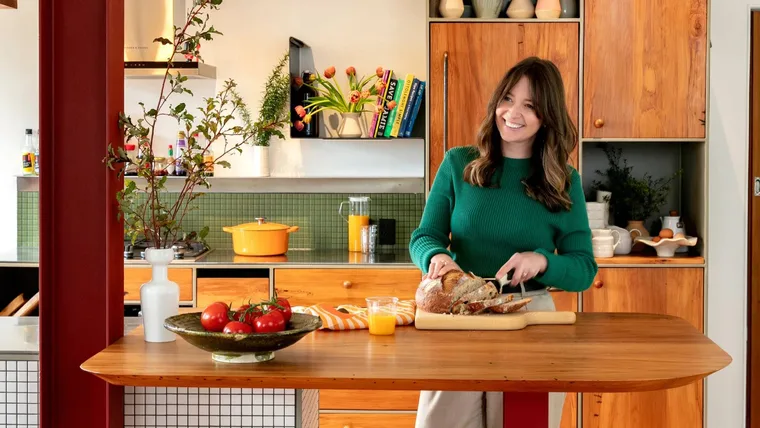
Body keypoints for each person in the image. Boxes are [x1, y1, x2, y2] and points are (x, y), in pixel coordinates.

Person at [409, 56, 598, 428]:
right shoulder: (457, 164)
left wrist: (542, 261)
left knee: (521, 422)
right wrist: (436, 258)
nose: (512, 113)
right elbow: (425, 236)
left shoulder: (564, 181)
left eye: (530, 105)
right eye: (508, 99)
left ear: (547, 117)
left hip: (529, 319)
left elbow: (583, 268)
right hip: (458, 313)